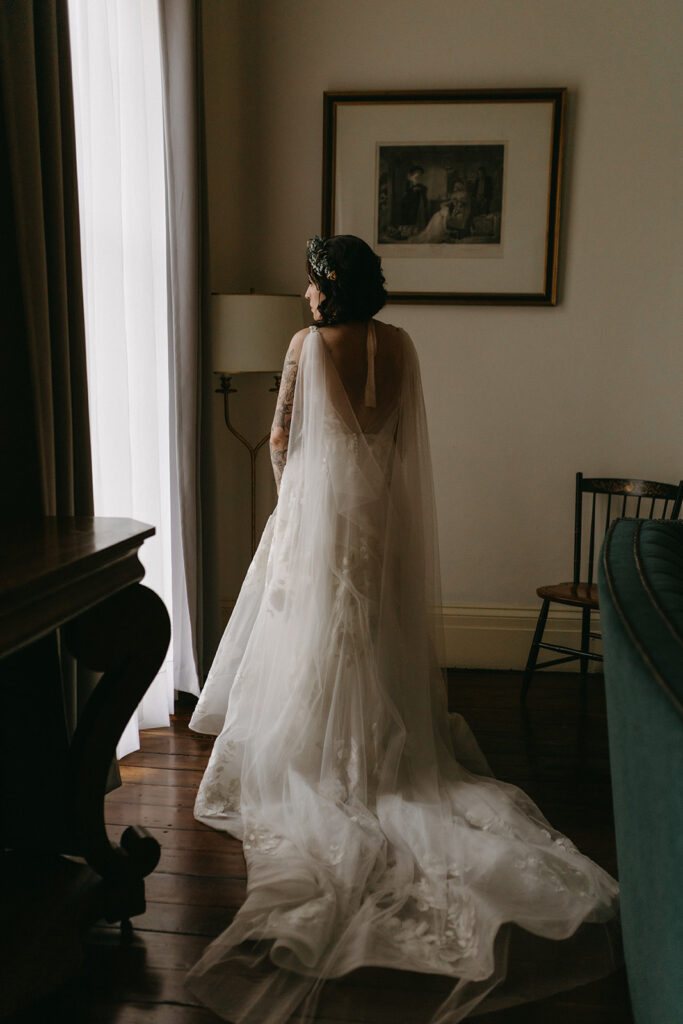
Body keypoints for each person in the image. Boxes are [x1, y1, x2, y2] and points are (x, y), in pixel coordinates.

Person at [184, 235, 622, 1023]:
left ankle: (322, 749)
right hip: (380, 505)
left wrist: (294, 505)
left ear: (325, 285)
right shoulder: (401, 344)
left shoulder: (306, 345)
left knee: (314, 625)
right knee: (370, 627)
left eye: (310, 281)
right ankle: (377, 743)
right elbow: (400, 436)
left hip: (323, 505)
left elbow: (282, 437)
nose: (305, 293)